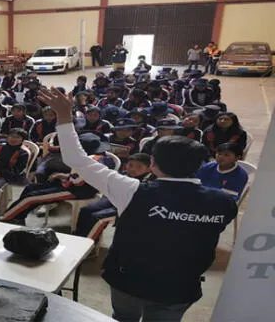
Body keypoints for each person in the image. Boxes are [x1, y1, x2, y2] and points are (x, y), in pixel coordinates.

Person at [38, 87, 236, 322]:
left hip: (129, 280)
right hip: (181, 286)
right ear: (201, 165)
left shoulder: (132, 191)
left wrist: (64, 116)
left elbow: (76, 159)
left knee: (124, 318)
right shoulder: (224, 203)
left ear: (152, 164)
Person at [0, 132, 116, 224]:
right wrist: (65, 176)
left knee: (31, 197)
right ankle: (19, 216)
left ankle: (6, 218)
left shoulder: (90, 161)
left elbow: (78, 181)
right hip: (77, 185)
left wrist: (67, 179)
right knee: (31, 188)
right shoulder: (104, 157)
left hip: (80, 191)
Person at [75, 153, 155, 237]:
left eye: (139, 167)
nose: (133, 169)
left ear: (148, 169)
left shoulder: (148, 183)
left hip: (126, 206)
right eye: (130, 165)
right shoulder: (121, 175)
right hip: (110, 200)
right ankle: (78, 236)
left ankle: (89, 241)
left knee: (97, 217)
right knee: (85, 210)